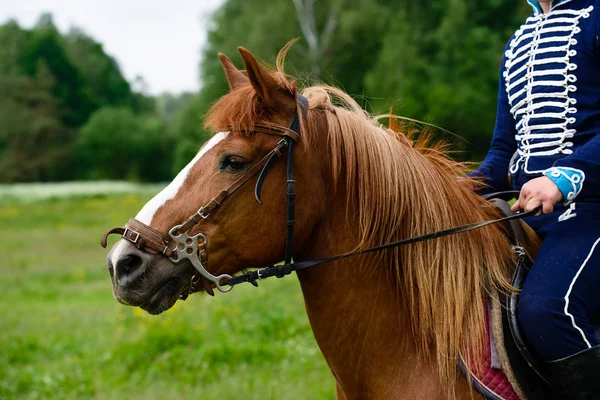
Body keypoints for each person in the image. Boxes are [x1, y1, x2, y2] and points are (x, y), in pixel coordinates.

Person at [471, 0, 600, 397]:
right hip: (525, 215)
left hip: (591, 209)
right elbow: (502, 151)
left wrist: (565, 176)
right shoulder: (519, 41)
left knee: (548, 309)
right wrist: (456, 188)